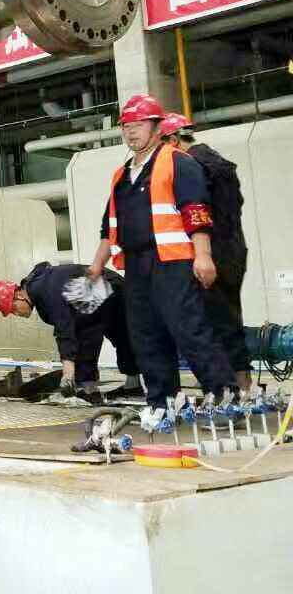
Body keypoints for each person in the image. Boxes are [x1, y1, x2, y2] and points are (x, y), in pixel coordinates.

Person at [88, 94, 234, 410]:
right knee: (146, 335)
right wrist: (97, 265)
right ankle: (162, 403)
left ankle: (224, 397)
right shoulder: (121, 175)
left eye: (139, 124)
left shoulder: (178, 162)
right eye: (126, 125)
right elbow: (109, 225)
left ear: (157, 127)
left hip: (174, 262)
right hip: (135, 266)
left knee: (189, 329)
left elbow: (196, 211)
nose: (131, 131)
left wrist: (203, 255)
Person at [162, 113, 252, 390]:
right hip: (233, 249)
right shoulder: (220, 164)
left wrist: (201, 254)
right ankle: (242, 384)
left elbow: (196, 211)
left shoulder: (192, 166)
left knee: (209, 323)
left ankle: (227, 392)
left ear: (173, 140)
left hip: (210, 251)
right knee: (229, 316)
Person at [0, 262, 141, 401]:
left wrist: (68, 374)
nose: (16, 314)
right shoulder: (38, 286)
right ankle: (132, 386)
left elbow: (64, 329)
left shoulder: (44, 291)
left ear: (19, 295)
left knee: (87, 331)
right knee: (120, 335)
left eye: (13, 309)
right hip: (110, 287)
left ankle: (89, 391)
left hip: (107, 287)